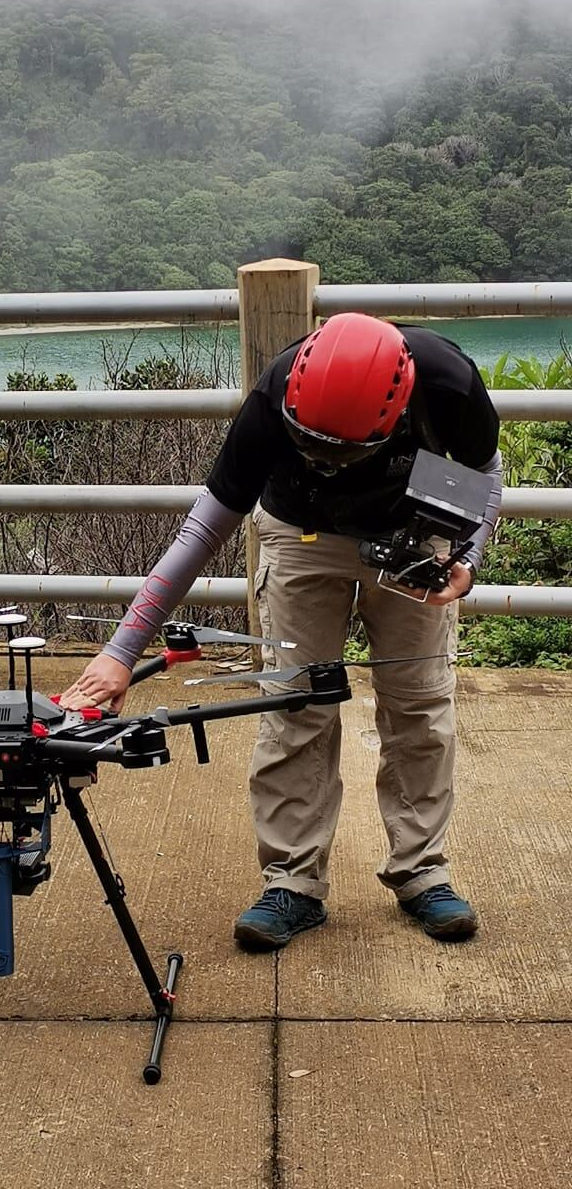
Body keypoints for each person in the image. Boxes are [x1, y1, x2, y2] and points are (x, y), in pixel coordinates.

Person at [60, 312, 502, 949]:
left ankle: (422, 873)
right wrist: (121, 652)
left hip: (413, 532)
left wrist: (465, 561)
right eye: (311, 445)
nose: (325, 463)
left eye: (341, 452)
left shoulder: (448, 382)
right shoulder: (272, 396)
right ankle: (292, 882)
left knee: (420, 704)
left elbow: (484, 475)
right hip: (302, 534)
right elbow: (203, 530)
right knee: (295, 704)